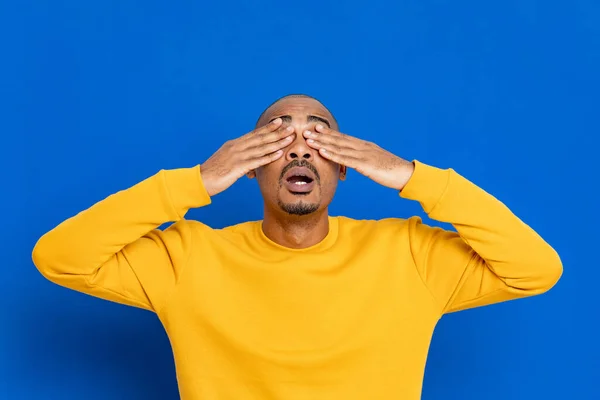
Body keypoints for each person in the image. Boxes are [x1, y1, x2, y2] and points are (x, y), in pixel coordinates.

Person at [32, 94, 562, 400]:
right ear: (251, 165)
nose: (299, 151)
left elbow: (536, 269)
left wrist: (412, 177)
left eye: (319, 139)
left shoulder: (409, 254)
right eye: (277, 140)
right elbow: (58, 257)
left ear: (345, 167)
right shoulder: (187, 258)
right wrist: (195, 181)